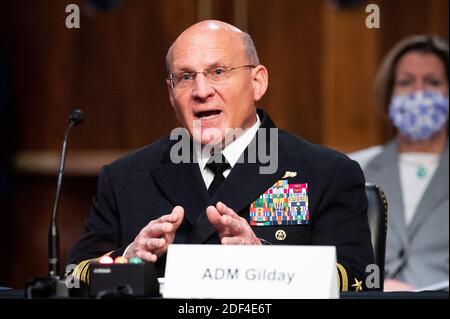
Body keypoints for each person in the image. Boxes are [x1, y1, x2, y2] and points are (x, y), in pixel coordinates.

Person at [68, 20, 374, 292]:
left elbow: (358, 281)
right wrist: (128, 257)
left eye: (218, 71)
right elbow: (73, 276)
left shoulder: (327, 173)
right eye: (185, 77)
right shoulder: (124, 177)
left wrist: (267, 262)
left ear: (257, 82)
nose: (201, 91)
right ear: (170, 93)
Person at [349, 35, 449, 291]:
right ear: (389, 93)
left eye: (432, 82)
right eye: (406, 82)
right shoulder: (352, 170)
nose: (419, 92)